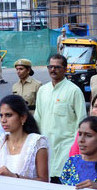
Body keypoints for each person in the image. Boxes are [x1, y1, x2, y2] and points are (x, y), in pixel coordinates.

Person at [34, 54, 86, 182]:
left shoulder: (74, 91)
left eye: (57, 67)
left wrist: (77, 148)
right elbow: (37, 118)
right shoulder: (42, 90)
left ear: (65, 69)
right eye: (50, 67)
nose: (53, 70)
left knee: (63, 185)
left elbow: (82, 121)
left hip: (66, 149)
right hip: (45, 148)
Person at [0, 95, 48, 183]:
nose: (3, 120)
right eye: (1, 115)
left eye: (8, 115)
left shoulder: (37, 142)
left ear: (23, 117)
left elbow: (44, 181)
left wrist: (15, 177)